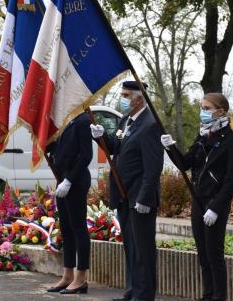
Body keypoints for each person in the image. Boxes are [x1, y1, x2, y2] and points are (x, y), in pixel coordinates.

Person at [160, 93, 233, 301]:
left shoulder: (232, 141)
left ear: (221, 112)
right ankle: (207, 295)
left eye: (207, 108)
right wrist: (170, 148)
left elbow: (232, 180)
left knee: (215, 255)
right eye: (202, 108)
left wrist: (216, 207)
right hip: (198, 202)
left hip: (215, 204)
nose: (202, 112)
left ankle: (219, 297)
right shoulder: (202, 137)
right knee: (203, 255)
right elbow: (184, 164)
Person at [90, 81, 163, 301]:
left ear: (139, 98)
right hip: (123, 195)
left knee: (143, 249)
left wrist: (145, 197)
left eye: (126, 95)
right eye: (122, 94)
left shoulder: (151, 125)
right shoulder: (125, 121)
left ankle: (144, 294)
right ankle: (133, 290)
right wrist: (101, 137)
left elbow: (153, 167)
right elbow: (115, 148)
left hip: (140, 197)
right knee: (131, 248)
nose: (122, 98)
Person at [46, 111, 92, 295]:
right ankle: (67, 275)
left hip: (76, 180)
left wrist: (70, 179)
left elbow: (85, 155)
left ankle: (81, 278)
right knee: (66, 228)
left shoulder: (82, 120)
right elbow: (65, 148)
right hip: (62, 178)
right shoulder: (66, 119)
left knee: (78, 228)